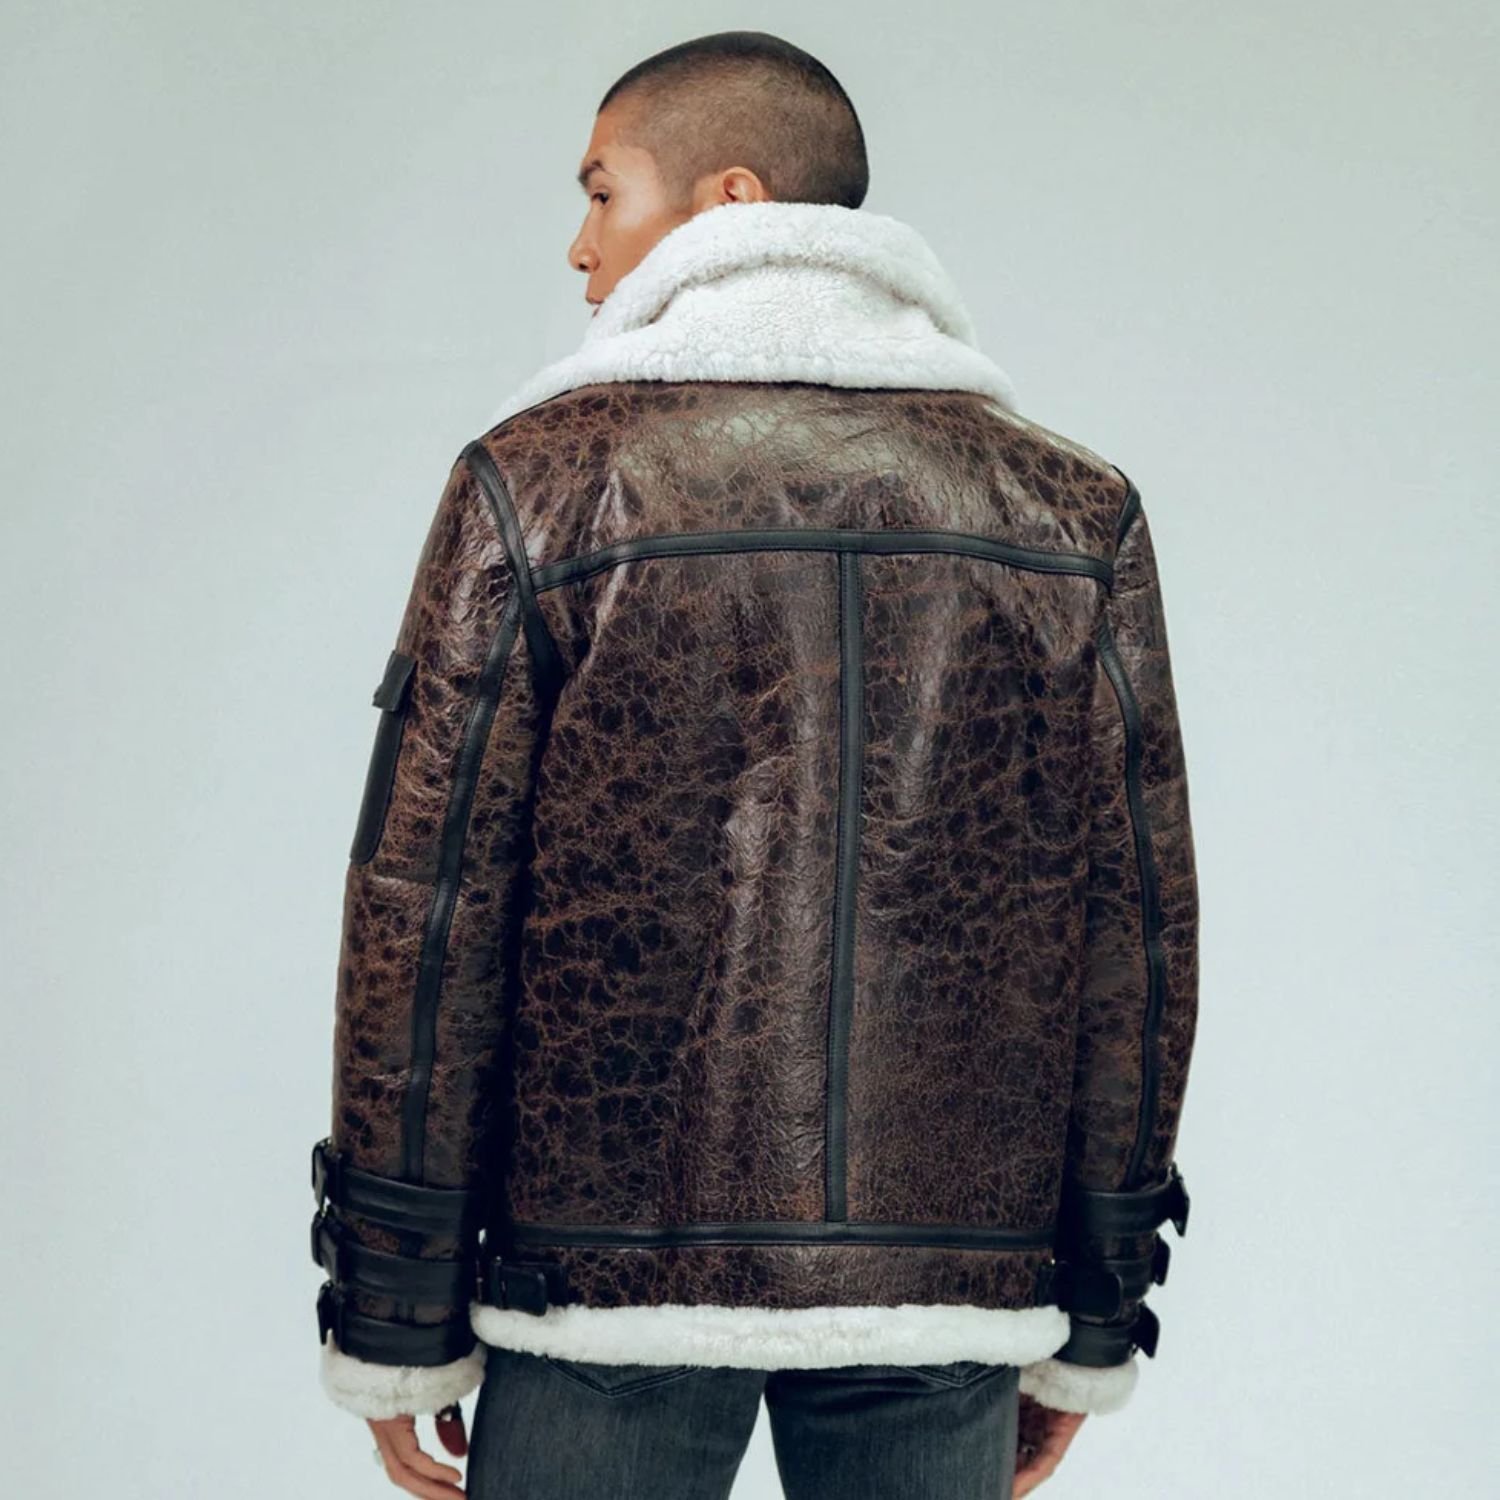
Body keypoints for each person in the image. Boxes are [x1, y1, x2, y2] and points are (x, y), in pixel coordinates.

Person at [306, 28, 1200, 1500]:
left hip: (600, 1287)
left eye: (603, 190)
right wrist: (1091, 1315)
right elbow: (1137, 941)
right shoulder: (1068, 511)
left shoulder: (539, 482)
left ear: (731, 200)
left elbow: (428, 917)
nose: (580, 245)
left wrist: (395, 1314)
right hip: (946, 1291)